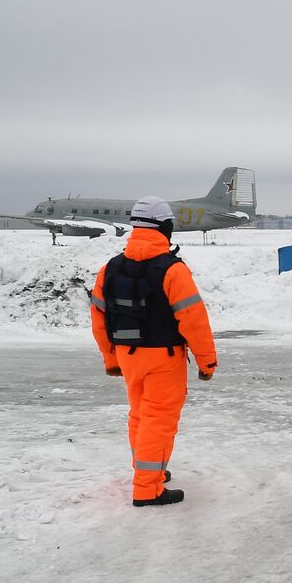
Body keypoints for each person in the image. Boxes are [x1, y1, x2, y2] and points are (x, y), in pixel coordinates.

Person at [89, 196, 217, 506]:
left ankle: (146, 469)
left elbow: (99, 318)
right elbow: (194, 321)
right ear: (166, 227)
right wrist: (206, 362)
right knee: (158, 420)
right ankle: (148, 487)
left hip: (127, 355)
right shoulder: (173, 270)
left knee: (140, 415)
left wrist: (110, 358)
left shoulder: (111, 268)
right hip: (164, 358)